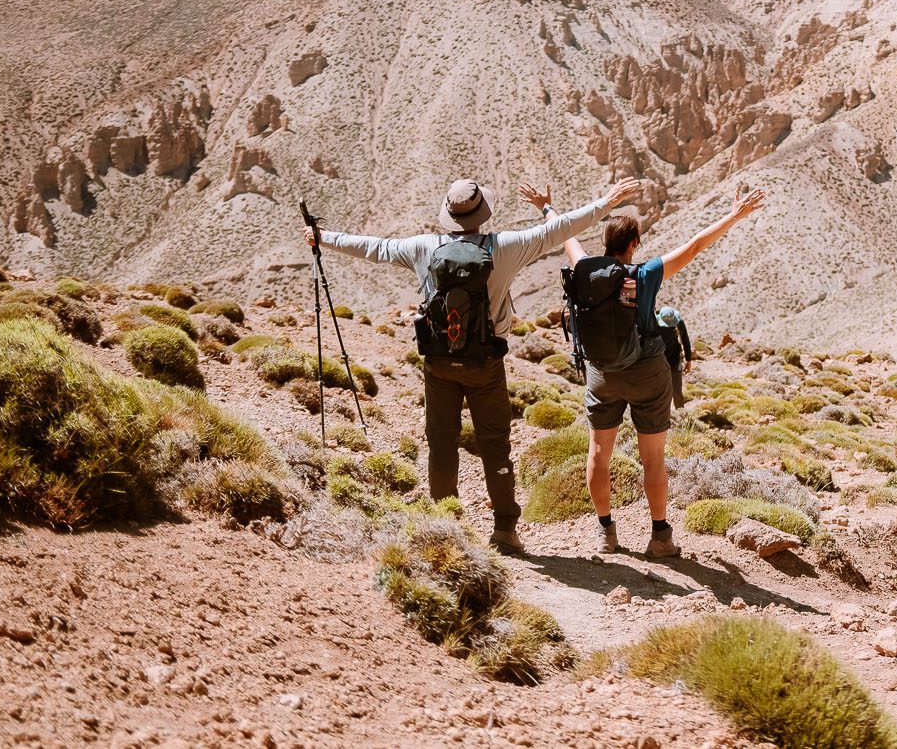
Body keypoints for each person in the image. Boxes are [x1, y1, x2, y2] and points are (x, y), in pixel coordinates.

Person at [305, 175, 640, 552]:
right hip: (486, 364)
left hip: (439, 363)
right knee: (496, 445)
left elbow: (375, 247)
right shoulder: (506, 247)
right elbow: (561, 229)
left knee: (441, 445)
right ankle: (504, 530)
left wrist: (324, 237)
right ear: (482, 214)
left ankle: (444, 525)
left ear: (448, 214)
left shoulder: (423, 248)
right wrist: (606, 203)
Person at [528, 181, 763, 558]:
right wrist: (734, 215)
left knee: (598, 454)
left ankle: (605, 531)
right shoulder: (645, 274)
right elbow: (697, 245)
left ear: (605, 244)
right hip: (647, 372)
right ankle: (660, 536)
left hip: (601, 373)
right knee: (652, 458)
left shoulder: (584, 269)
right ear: (634, 243)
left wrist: (547, 208)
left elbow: (565, 235)